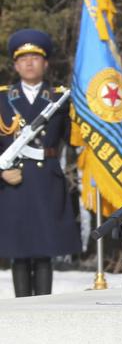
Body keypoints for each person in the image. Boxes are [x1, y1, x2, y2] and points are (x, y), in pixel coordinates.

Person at [0, 29, 81, 297]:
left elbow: (76, 139)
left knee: (45, 254)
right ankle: (23, 313)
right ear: (15, 64)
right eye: (23, 58)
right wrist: (1, 172)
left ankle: (44, 311)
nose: (29, 63)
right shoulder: (2, 99)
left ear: (45, 63)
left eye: (35, 57)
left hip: (46, 180)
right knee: (19, 254)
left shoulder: (61, 98)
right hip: (13, 184)